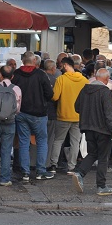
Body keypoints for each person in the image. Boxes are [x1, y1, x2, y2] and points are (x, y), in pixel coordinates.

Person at [71, 69, 112, 195]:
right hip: (103, 129)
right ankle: (101, 186)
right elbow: (109, 113)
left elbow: (77, 107)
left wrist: (88, 114)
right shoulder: (105, 92)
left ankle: (80, 172)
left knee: (93, 153)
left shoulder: (84, 90)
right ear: (107, 79)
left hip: (88, 127)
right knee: (103, 157)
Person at [12, 52, 55, 181]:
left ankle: (25, 172)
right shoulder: (41, 75)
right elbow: (50, 94)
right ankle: (40, 171)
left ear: (23, 61)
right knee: (42, 141)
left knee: (24, 142)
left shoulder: (16, 75)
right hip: (39, 113)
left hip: (21, 113)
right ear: (34, 61)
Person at [49, 57, 88, 174]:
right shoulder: (84, 80)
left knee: (58, 140)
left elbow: (55, 97)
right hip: (78, 116)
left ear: (66, 66)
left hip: (63, 115)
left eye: (61, 66)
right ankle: (72, 166)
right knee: (75, 142)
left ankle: (53, 165)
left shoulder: (61, 79)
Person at [43, 59, 59, 173]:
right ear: (53, 68)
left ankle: (34, 162)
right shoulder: (56, 80)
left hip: (39, 112)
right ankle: (46, 162)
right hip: (52, 113)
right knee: (49, 139)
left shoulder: (39, 78)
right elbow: (56, 97)